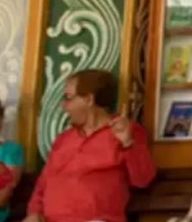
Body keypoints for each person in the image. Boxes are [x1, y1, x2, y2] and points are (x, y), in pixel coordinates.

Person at [24, 69, 155, 222]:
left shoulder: (125, 130)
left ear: (89, 99)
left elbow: (143, 179)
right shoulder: (64, 139)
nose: (63, 105)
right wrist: (33, 213)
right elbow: (42, 184)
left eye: (68, 98)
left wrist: (127, 143)